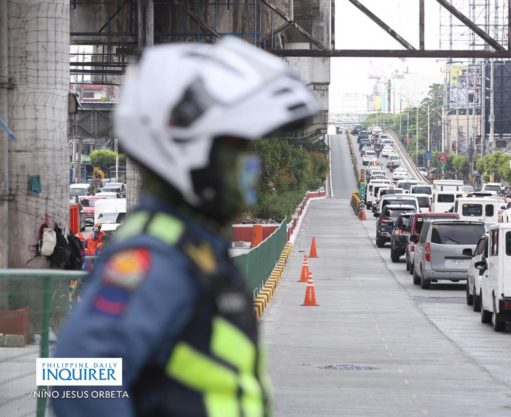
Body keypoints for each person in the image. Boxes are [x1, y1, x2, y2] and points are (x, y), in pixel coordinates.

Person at [52, 37, 318, 417]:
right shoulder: (154, 259)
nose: (250, 163)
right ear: (187, 149)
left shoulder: (194, 249)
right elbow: (77, 376)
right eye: (236, 147)